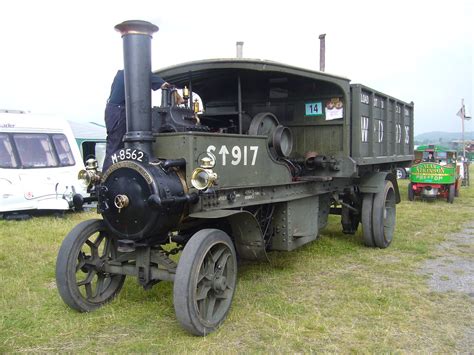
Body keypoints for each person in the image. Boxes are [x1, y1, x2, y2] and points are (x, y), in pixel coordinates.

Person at [103, 70, 169, 171]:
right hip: (119, 111)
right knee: (115, 148)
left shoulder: (125, 75)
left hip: (117, 111)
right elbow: (144, 74)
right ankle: (106, 179)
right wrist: (163, 84)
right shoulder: (129, 72)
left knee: (117, 146)